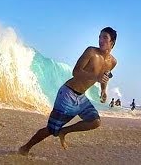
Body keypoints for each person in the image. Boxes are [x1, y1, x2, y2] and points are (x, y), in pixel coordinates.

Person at [19, 27, 117, 155]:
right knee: (51, 130)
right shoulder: (91, 52)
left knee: (95, 121)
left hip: (81, 97)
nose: (100, 40)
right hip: (67, 93)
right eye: (100, 36)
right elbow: (76, 72)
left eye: (105, 37)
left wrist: (103, 91)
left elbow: (104, 77)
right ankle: (25, 148)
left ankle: (64, 131)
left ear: (112, 43)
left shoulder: (113, 62)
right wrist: (95, 77)